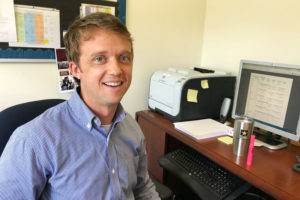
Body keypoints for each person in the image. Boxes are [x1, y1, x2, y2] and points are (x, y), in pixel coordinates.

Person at [0, 13, 160, 200]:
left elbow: (142, 188)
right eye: (100, 59)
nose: (116, 70)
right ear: (75, 70)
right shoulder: (34, 141)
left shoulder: (132, 129)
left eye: (124, 58)